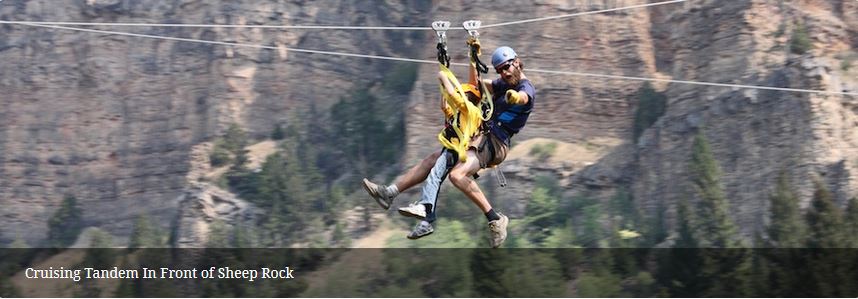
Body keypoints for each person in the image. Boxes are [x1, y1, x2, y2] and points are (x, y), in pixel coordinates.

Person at [363, 44, 535, 248]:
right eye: (500, 70)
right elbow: (477, 85)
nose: (504, 73)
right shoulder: (503, 83)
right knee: (433, 160)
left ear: (517, 62)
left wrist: (514, 97)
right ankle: (389, 193)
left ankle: (495, 219)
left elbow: (524, 98)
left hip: (495, 144)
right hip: (478, 137)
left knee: (456, 175)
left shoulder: (525, 88)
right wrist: (473, 57)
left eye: (506, 67)